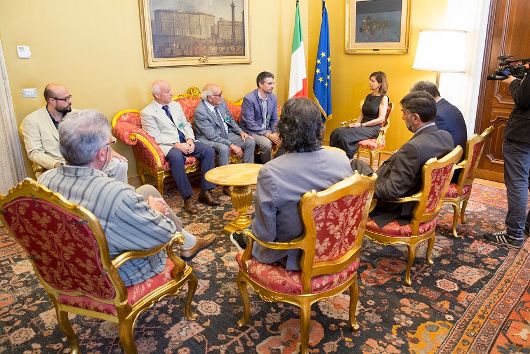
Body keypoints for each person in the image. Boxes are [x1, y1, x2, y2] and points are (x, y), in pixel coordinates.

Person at [37, 110, 215, 286]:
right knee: (159, 214)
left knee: (146, 190)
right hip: (117, 272)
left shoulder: (44, 180)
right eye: (110, 143)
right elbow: (164, 234)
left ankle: (189, 243)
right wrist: (156, 212)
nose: (111, 146)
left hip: (68, 267)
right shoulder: (116, 193)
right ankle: (187, 243)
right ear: (101, 153)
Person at [232, 97, 353, 271]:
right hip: (337, 246)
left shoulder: (271, 172)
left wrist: (249, 232)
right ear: (320, 128)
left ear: (283, 130)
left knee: (246, 234)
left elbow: (265, 234)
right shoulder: (341, 158)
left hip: (294, 257)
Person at [351, 91, 454, 227]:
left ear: (416, 118)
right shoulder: (446, 137)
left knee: (351, 170)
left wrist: (364, 185)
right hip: (417, 195)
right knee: (356, 163)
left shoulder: (413, 149)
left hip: (394, 206)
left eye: (404, 113)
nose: (402, 118)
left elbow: (390, 192)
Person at [21, 83, 128, 183]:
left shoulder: (77, 114)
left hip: (87, 161)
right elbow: (35, 153)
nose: (70, 101)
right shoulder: (32, 121)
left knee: (120, 164)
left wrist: (109, 150)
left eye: (69, 97)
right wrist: (56, 164)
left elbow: (98, 135)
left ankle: (119, 197)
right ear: (52, 101)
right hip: (60, 166)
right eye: (65, 99)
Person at [141, 80, 220, 214]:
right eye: (167, 92)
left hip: (186, 141)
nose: (171, 93)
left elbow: (186, 124)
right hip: (168, 145)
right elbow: (155, 136)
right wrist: (177, 145)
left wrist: (189, 139)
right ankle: (187, 199)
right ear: (157, 95)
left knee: (208, 151)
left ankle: (206, 192)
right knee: (177, 158)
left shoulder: (175, 106)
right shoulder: (147, 113)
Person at [484, 70, 530, 248]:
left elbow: (523, 99)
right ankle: (526, 226)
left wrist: (512, 82)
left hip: (523, 134)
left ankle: (514, 234)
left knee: (518, 183)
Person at [410, 81, 467, 181]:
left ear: (425, 97)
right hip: (456, 162)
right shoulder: (450, 107)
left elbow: (433, 148)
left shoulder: (437, 114)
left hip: (447, 171)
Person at [193, 83, 255, 167]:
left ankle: (247, 171)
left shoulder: (221, 102)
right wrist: (231, 145)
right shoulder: (201, 112)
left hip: (225, 134)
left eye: (221, 93)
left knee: (250, 142)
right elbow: (212, 136)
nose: (222, 97)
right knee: (224, 149)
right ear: (209, 98)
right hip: (209, 139)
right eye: (219, 95)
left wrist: (241, 132)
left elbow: (229, 119)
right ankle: (224, 177)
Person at [330, 71, 390, 158]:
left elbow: (381, 119)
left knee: (344, 136)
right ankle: (335, 158)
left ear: (380, 83)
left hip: (373, 128)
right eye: (370, 80)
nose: (370, 83)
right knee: (336, 132)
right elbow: (362, 115)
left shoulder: (383, 98)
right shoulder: (368, 96)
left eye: (373, 81)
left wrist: (362, 124)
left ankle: (347, 159)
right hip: (362, 126)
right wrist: (356, 124)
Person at [240, 71, 280, 163]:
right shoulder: (249, 98)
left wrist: (275, 133)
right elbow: (250, 123)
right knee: (266, 144)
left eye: (273, 83)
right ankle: (267, 169)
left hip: (267, 129)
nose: (272, 86)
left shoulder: (273, 97)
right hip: (251, 130)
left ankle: (276, 165)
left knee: (284, 138)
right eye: (269, 83)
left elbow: (274, 119)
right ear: (260, 84)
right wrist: (268, 135)